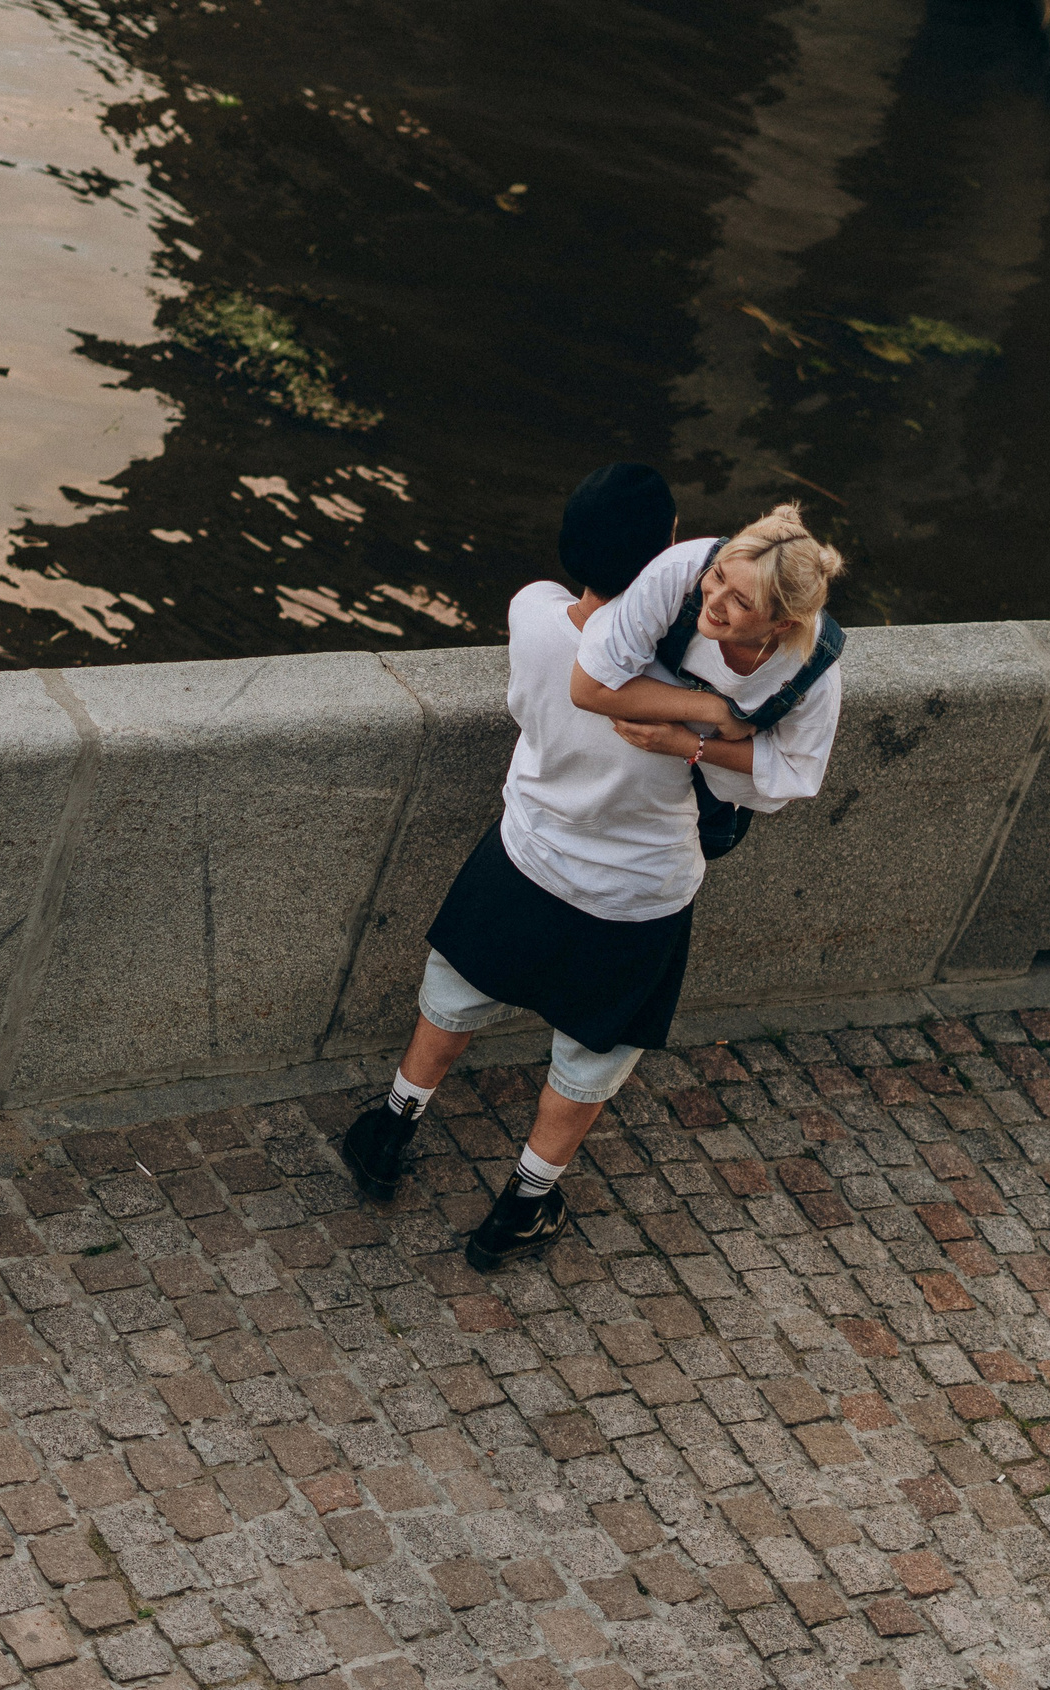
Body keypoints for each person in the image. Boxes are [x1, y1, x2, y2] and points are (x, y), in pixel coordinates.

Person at [339, 463, 742, 1272]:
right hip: (634, 899)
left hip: (526, 854)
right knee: (589, 1054)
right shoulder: (693, 680)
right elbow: (741, 780)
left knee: (456, 988)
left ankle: (390, 1129)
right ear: (670, 557)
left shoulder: (533, 611)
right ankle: (521, 1204)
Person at [570, 501, 846, 833]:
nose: (714, 600)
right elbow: (588, 688)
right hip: (625, 779)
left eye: (741, 602)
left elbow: (798, 771)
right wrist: (716, 710)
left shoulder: (813, 672)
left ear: (782, 625)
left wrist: (687, 745)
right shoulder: (680, 571)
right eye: (717, 575)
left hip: (717, 803)